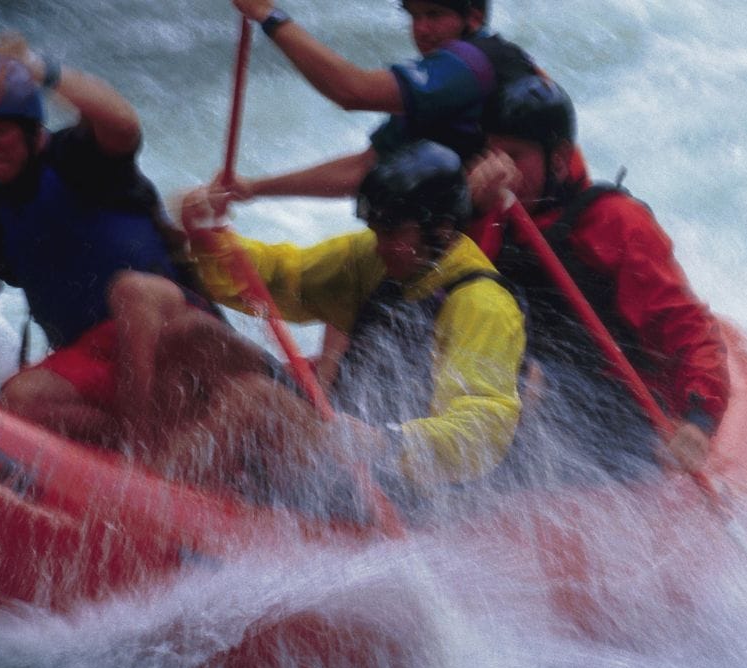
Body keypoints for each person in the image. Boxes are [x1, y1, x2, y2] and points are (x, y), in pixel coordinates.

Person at [111, 141, 525, 506]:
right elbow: (279, 277)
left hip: (403, 484)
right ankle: (150, 470)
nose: (382, 245)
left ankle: (135, 509)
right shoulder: (376, 257)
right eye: (377, 230)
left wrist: (388, 440)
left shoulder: (482, 303)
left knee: (254, 399)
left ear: (442, 229)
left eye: (395, 232)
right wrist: (208, 238)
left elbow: (483, 429)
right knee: (192, 335)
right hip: (338, 440)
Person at [0, 34, 218, 444]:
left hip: (173, 332)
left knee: (134, 295)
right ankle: (128, 449)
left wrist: (40, 70)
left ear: (32, 127)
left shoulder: (80, 158)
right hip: (97, 362)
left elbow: (122, 123)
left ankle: (146, 445)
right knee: (18, 400)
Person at [467, 76, 730, 479]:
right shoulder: (486, 215)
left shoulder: (615, 223)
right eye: (491, 155)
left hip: (617, 400)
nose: (498, 169)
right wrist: (467, 208)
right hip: (521, 397)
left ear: (558, 159)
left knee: (533, 381)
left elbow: (686, 329)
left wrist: (698, 422)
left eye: (514, 156)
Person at [222, 0, 539, 199]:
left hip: (522, 243)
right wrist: (253, 188)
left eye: (435, 14)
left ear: (473, 17)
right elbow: (363, 169)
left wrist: (270, 16)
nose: (421, 29)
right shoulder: (445, 83)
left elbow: (353, 91)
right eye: (414, 15)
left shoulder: (473, 64)